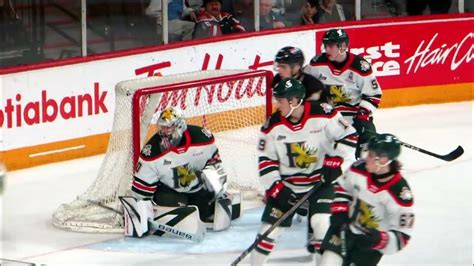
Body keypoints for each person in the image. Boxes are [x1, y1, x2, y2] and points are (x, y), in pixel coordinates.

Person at [250, 78, 358, 265]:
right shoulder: (272, 126)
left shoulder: (324, 113)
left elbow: (350, 136)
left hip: (320, 183)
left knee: (321, 224)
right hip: (287, 186)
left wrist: (336, 163)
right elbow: (265, 161)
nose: (277, 104)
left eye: (281, 100)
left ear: (294, 101)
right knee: (267, 232)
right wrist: (277, 189)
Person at [123, 107, 240, 240]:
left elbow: (215, 164)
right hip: (167, 190)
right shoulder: (152, 151)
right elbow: (142, 188)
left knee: (209, 213)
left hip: (194, 183)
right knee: (183, 218)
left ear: (180, 126)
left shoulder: (201, 137)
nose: (163, 131)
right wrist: (139, 211)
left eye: (168, 127)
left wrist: (218, 188)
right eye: (162, 127)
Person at [320, 133, 414, 266]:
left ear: (383, 160)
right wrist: (340, 211)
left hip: (370, 246)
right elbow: (343, 187)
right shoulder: (359, 168)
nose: (365, 158)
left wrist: (380, 240)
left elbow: (403, 236)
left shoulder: (400, 193)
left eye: (370, 155)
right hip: (345, 229)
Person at [304, 28, 383, 157]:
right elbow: (303, 84)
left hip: (353, 118)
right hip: (327, 118)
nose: (327, 49)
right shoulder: (317, 64)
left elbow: (373, 94)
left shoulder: (360, 66)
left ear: (343, 46)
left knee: (366, 151)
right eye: (325, 45)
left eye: (330, 46)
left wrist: (363, 115)